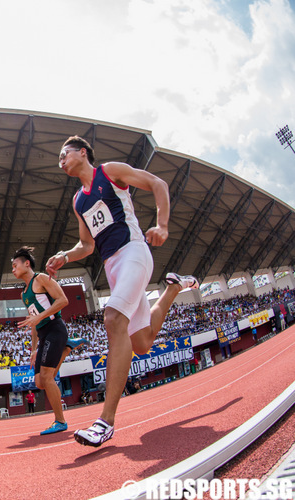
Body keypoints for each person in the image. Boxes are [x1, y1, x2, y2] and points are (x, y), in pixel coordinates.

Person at [47, 136, 199, 447]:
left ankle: (105, 421)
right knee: (142, 344)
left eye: (64, 154)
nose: (61, 161)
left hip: (134, 252)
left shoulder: (110, 172)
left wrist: (163, 225)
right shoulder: (79, 201)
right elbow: (87, 244)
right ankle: (173, 288)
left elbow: (158, 183)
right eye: (58, 159)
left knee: (113, 318)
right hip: (114, 269)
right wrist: (65, 256)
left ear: (82, 152)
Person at [12, 246, 87, 435]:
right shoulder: (24, 294)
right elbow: (34, 323)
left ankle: (60, 421)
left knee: (47, 378)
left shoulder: (41, 279)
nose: (12, 270)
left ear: (26, 263)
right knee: (39, 382)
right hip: (43, 333)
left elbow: (63, 300)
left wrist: (40, 317)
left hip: (55, 329)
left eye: (15, 265)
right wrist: (33, 350)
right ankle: (67, 348)